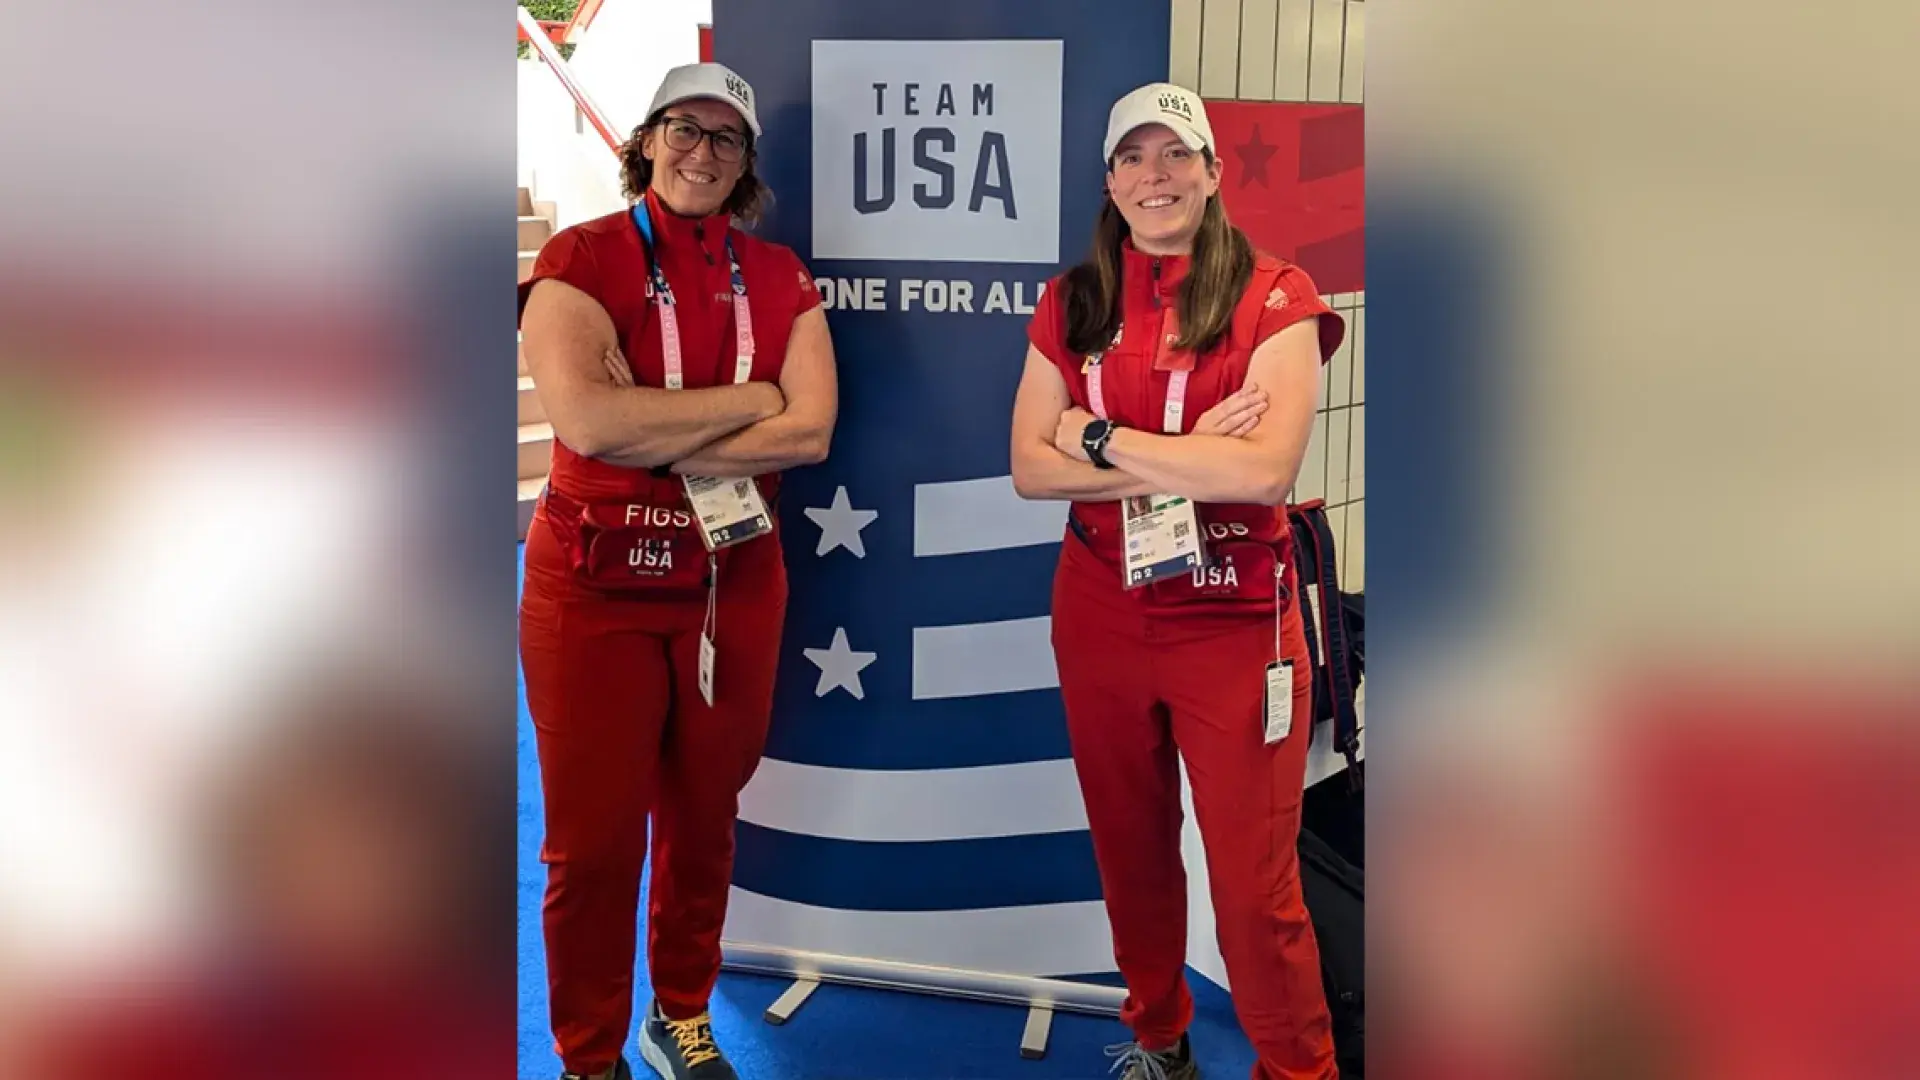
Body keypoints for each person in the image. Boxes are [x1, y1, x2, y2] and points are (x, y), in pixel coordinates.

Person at [1010, 82, 1347, 1080]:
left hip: (1234, 619)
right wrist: (1180, 451)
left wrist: (1102, 435)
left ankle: (1299, 1069)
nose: (1154, 177)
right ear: (1110, 182)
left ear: (1211, 171)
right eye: (1134, 159)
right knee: (1131, 849)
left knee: (1254, 888)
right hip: (1101, 606)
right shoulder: (1076, 300)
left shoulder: (1277, 295)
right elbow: (1029, 465)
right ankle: (1160, 1038)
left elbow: (1259, 473)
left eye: (1175, 156)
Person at [516, 62, 837, 1080]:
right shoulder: (583, 255)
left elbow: (814, 430)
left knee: (705, 817)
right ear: (647, 140)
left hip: (729, 584)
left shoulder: (779, 274)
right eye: (683, 131)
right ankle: (588, 1053)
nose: (702, 153)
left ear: (747, 164)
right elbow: (590, 421)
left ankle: (681, 1011)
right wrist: (753, 399)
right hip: (592, 586)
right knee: (593, 846)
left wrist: (657, 427)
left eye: (725, 139)